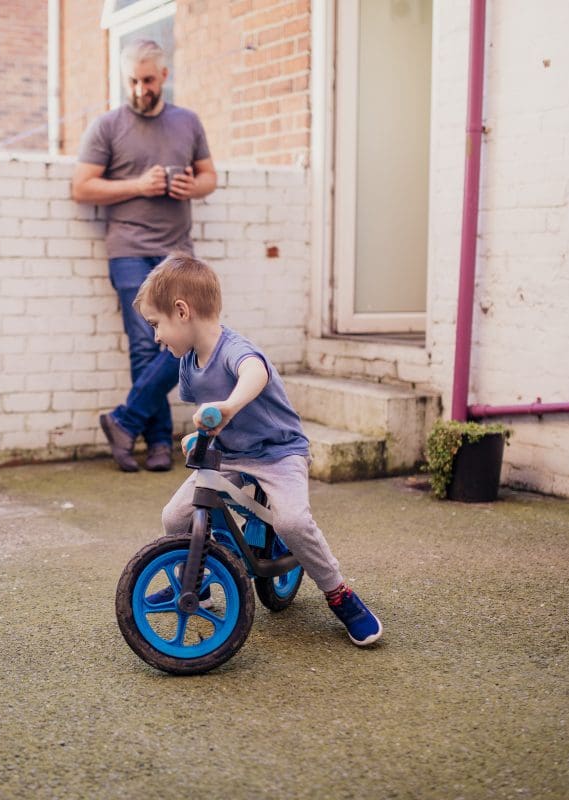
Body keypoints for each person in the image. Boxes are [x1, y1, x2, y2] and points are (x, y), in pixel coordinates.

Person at [133, 254, 383, 646]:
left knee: (292, 523)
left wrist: (230, 406)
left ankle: (339, 593)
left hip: (278, 452)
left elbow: (255, 373)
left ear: (181, 311)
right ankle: (194, 585)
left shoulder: (235, 350)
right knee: (175, 516)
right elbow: (206, 412)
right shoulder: (186, 365)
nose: (156, 337)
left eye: (156, 325)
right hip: (229, 453)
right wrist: (199, 435)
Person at [71, 38, 217, 473]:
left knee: (186, 339)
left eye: (148, 80)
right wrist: (138, 185)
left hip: (176, 251)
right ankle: (156, 443)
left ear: (164, 77)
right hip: (129, 249)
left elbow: (210, 176)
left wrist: (195, 186)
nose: (139, 89)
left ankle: (123, 421)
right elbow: (82, 187)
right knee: (143, 345)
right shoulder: (107, 126)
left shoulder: (187, 122)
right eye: (132, 80)